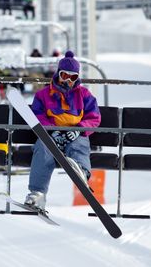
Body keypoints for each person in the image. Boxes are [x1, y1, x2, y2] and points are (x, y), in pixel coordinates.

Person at [24, 51, 101, 210]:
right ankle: (37, 193)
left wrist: (79, 129)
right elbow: (38, 115)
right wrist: (51, 131)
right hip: (52, 135)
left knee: (79, 146)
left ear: (77, 78)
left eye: (72, 77)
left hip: (76, 134)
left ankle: (81, 172)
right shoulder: (43, 95)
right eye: (64, 75)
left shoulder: (84, 95)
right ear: (58, 73)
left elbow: (94, 117)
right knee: (43, 148)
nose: (68, 80)